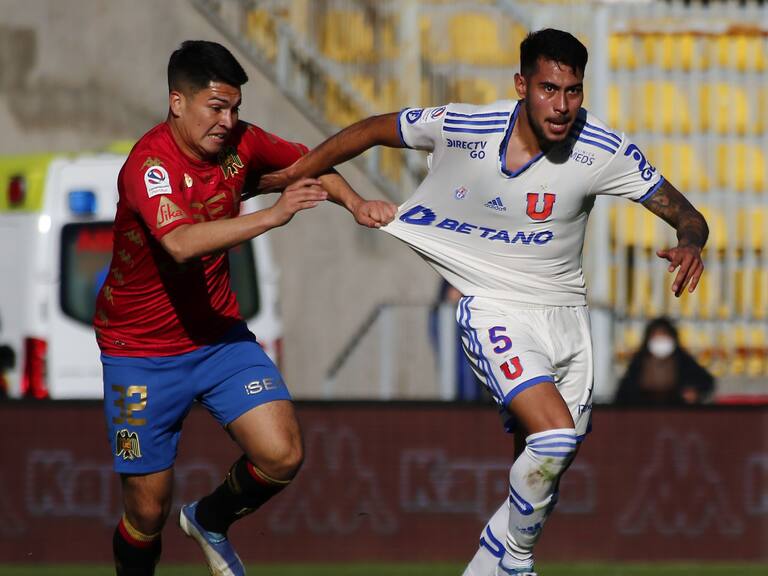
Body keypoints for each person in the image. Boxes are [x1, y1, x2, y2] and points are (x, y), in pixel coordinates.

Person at [262, 28, 708, 576]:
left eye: (573, 91)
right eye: (548, 89)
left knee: (546, 467)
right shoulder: (466, 126)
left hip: (568, 317)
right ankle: (513, 559)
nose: (562, 106)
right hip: (494, 306)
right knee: (553, 438)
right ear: (521, 84)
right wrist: (298, 171)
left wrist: (690, 241)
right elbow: (374, 129)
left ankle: (491, 562)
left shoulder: (602, 148)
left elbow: (687, 212)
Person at [92, 40, 362, 576]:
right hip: (138, 353)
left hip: (218, 337)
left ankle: (209, 518)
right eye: (216, 107)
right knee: (146, 512)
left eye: (235, 107)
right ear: (177, 103)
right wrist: (273, 214)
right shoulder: (150, 166)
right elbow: (181, 243)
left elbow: (313, 162)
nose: (228, 120)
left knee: (282, 454)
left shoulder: (242, 143)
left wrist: (356, 203)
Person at [615, 316, 715, 405]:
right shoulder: (639, 361)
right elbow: (623, 393)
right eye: (656, 336)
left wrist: (695, 391)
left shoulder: (682, 360)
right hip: (644, 413)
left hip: (677, 413)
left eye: (664, 335)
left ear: (672, 338)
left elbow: (707, 381)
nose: (660, 340)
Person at [428, 279, 488, 401]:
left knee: (469, 375)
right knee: (459, 373)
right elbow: (450, 296)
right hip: (454, 317)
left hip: (466, 317)